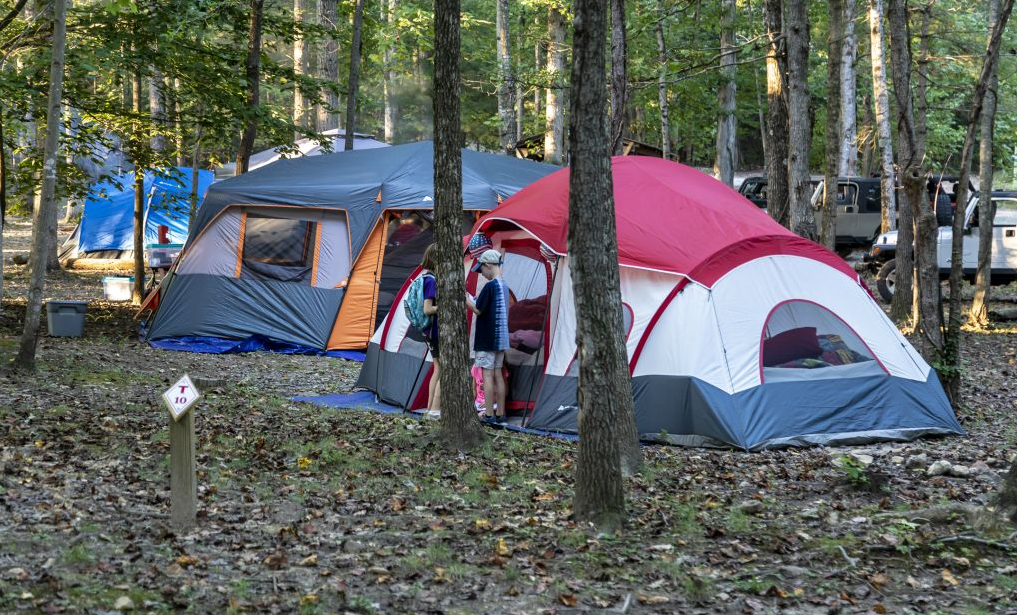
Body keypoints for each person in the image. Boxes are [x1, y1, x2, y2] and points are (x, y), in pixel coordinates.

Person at [466, 249, 511, 424]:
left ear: (488, 265)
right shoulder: (504, 285)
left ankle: (488, 414)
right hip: (501, 339)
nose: (482, 274)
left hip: (486, 338)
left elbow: (478, 309)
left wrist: (465, 299)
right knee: (498, 374)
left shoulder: (490, 286)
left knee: (487, 375)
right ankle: (500, 413)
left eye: (481, 270)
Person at [420, 244, 441, 414]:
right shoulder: (431, 281)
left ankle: (430, 408)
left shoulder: (426, 277)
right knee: (440, 368)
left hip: (430, 331)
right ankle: (433, 409)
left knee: (438, 367)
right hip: (434, 331)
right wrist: (445, 306)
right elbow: (427, 309)